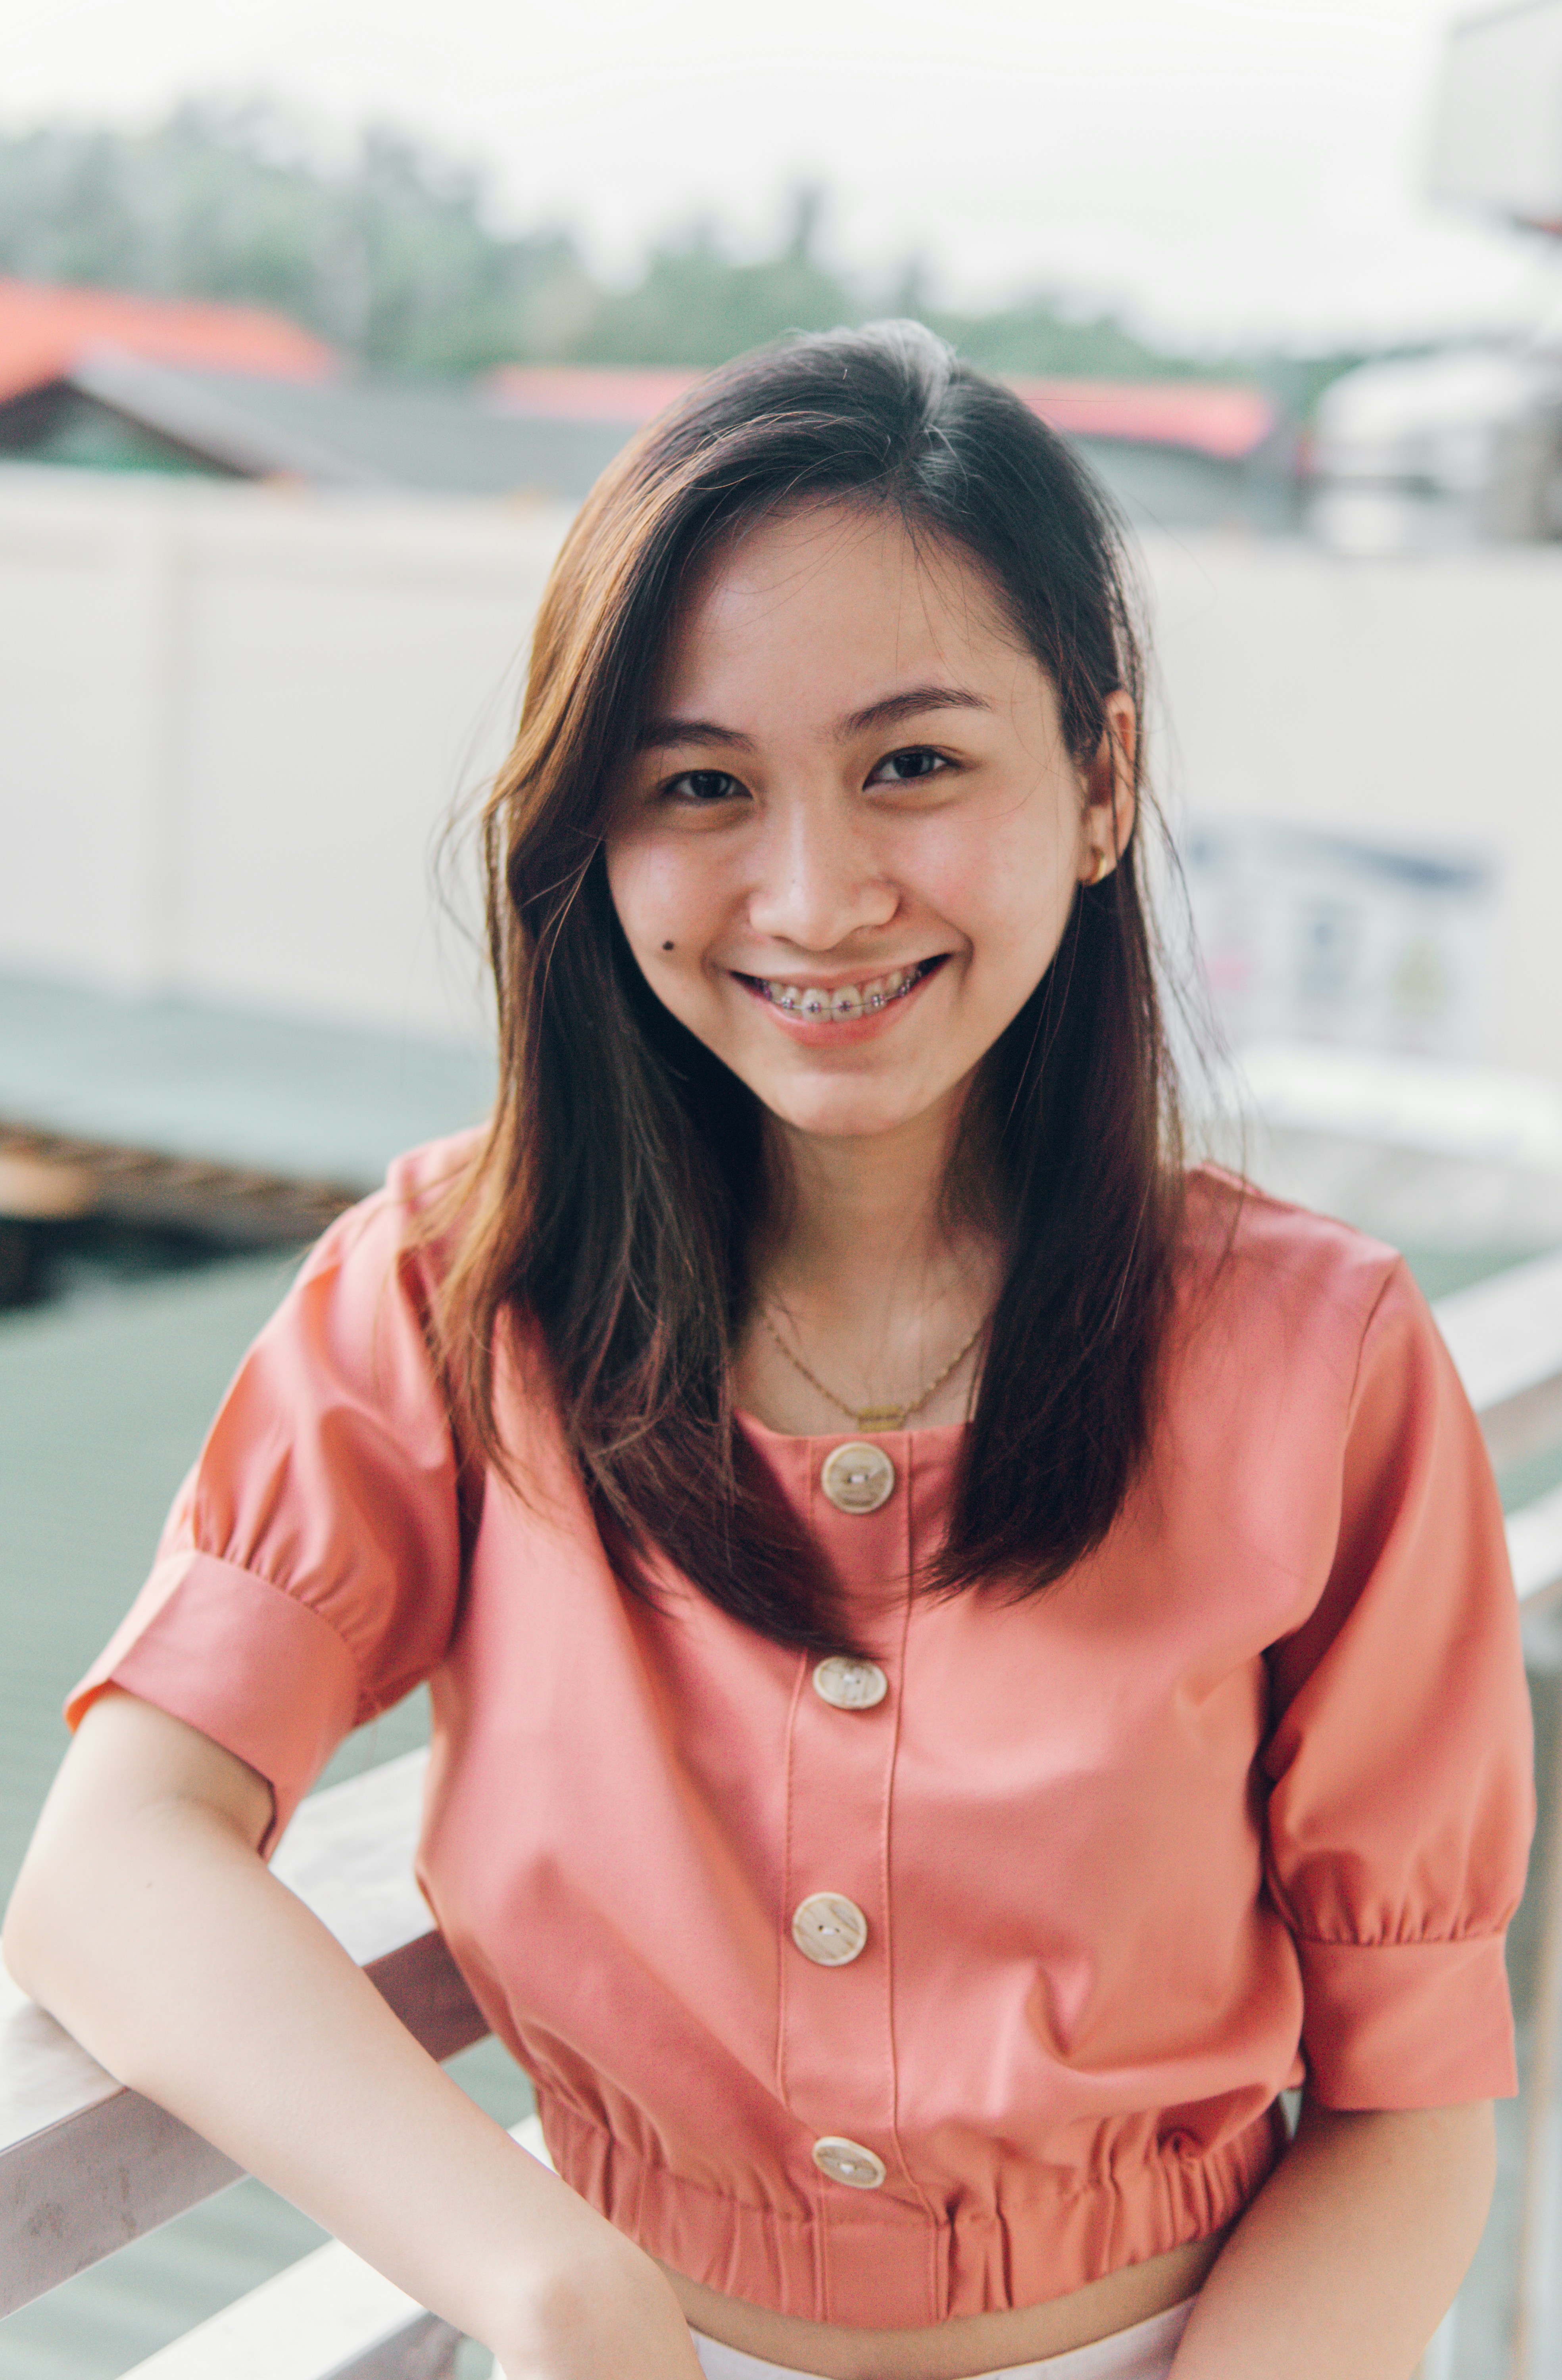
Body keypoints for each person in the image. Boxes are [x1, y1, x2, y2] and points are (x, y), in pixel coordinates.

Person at [2, 322, 1535, 2380]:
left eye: (912, 765)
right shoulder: (449, 1296)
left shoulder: (1322, 1365)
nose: (812, 900)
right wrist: (553, 2284)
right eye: (701, 787)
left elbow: (1407, 2101)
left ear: (1098, 783)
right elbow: (115, 1863)